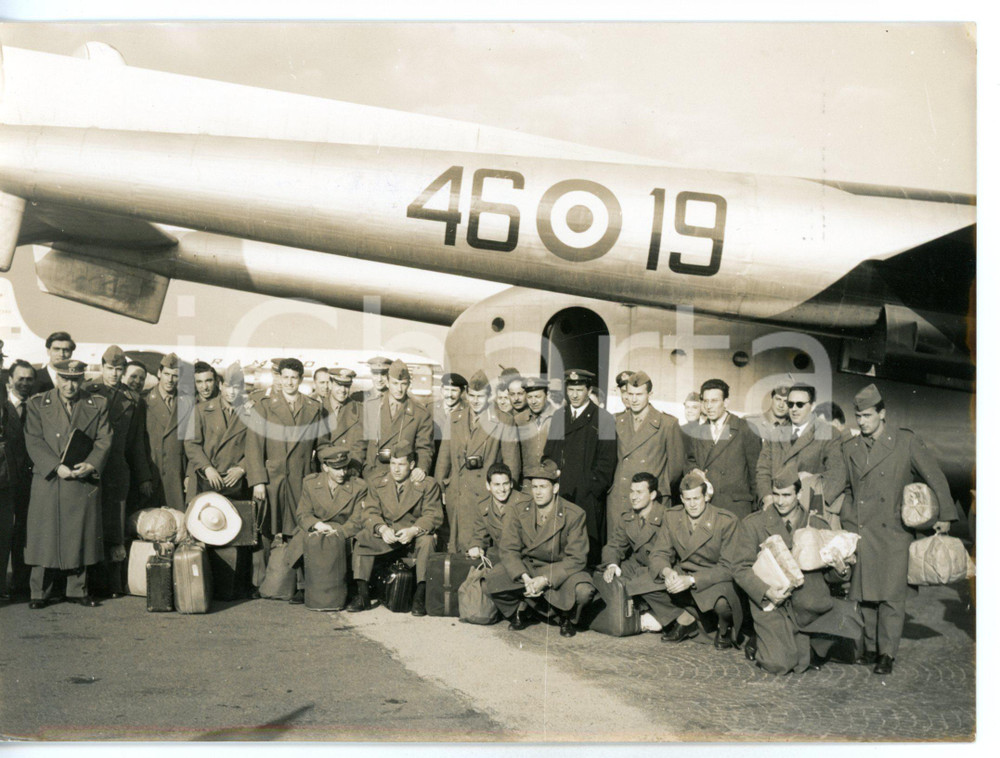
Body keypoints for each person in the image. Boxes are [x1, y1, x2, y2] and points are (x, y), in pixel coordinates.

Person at [840, 384, 957, 675]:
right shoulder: (851, 448)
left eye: (867, 415)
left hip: (894, 530)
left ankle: (886, 654)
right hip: (862, 529)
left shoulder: (905, 442)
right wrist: (845, 519)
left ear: (882, 414)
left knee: (892, 597)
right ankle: (868, 648)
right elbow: (845, 488)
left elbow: (935, 476)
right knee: (864, 592)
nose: (862, 422)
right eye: (858, 416)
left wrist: (945, 514)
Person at [722, 474, 861, 675]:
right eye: (776, 494)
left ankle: (800, 640)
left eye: (787, 495)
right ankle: (770, 638)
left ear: (800, 493)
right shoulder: (754, 524)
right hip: (773, 604)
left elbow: (830, 577)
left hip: (809, 606)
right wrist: (766, 591)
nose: (780, 501)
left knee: (842, 629)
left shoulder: (817, 524)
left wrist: (841, 569)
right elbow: (740, 567)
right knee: (778, 664)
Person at [22, 359, 112, 608]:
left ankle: (77, 589)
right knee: (44, 536)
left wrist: (92, 464)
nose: (70, 385)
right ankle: (39, 592)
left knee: (80, 535)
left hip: (81, 478)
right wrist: (55, 466)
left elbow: (104, 439)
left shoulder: (97, 404)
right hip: (49, 479)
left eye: (75, 380)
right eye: (64, 379)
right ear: (57, 378)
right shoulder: (38, 404)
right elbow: (33, 440)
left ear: (82, 379)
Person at [485, 458, 595, 637]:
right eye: (534, 487)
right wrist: (525, 577)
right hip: (530, 568)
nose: (537, 492)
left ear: (555, 488)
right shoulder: (519, 509)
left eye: (543, 487)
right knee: (492, 580)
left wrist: (546, 579)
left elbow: (577, 558)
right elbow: (508, 548)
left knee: (583, 591)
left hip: (560, 571)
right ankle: (525, 608)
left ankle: (566, 616)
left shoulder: (574, 514)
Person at [83, 346, 153, 597]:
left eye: (119, 369)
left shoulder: (133, 400)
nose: (114, 373)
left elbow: (136, 443)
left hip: (116, 472)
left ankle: (112, 584)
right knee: (90, 526)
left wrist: (144, 475)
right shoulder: (87, 392)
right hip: (89, 470)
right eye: (110, 368)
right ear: (102, 367)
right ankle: (87, 584)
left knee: (115, 529)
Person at [646, 473, 743, 648]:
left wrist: (691, 580)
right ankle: (685, 618)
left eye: (696, 498)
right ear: (682, 499)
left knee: (723, 604)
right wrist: (668, 572)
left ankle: (724, 628)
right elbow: (659, 553)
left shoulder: (726, 521)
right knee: (642, 582)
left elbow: (728, 568)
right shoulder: (672, 516)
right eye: (687, 499)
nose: (692, 504)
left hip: (713, 579)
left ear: (706, 497)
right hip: (683, 575)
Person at [350, 442, 443, 616]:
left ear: (412, 465)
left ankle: (420, 596)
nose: (396, 469)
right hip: (388, 536)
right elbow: (370, 512)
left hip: (411, 538)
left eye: (401, 464)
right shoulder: (378, 482)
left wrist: (414, 530)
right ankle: (362, 594)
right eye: (393, 463)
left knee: (428, 541)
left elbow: (433, 515)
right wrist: (381, 528)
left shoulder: (427, 485)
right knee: (363, 537)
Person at [435, 370, 520, 552]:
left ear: (489, 396)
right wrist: (440, 488)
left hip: (485, 495)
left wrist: (504, 495)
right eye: (472, 395)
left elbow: (511, 463)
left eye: (480, 397)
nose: (475, 401)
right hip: (457, 493)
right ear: (466, 394)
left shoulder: (503, 420)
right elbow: (444, 459)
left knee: (478, 547)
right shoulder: (455, 418)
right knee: (455, 546)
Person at [246, 357, 326, 540]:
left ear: (300, 379)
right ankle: (266, 569)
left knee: (299, 529)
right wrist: (258, 481)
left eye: (294, 378)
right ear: (280, 378)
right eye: (286, 377)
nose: (289, 382)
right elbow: (254, 447)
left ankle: (294, 568)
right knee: (266, 531)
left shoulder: (313, 408)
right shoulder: (264, 407)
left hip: (301, 478)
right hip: (272, 480)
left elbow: (321, 445)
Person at [543, 369, 617, 565]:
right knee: (560, 549)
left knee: (587, 553)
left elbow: (607, 463)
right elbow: (549, 454)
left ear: (589, 390)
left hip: (587, 500)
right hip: (562, 495)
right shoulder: (559, 416)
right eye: (571, 389)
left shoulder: (604, 419)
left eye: (579, 390)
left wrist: (590, 488)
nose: (574, 395)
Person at [285, 442, 367, 610]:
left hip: (343, 529)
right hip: (319, 527)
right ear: (325, 467)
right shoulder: (310, 483)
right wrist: (317, 524)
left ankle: (351, 590)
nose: (342, 473)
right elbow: (303, 514)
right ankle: (304, 586)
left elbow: (358, 519)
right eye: (337, 468)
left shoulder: (358, 487)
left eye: (344, 467)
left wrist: (340, 532)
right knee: (301, 537)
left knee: (358, 543)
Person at [607, 371, 685, 539]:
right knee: (616, 550)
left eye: (639, 394)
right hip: (620, 498)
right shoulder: (616, 421)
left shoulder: (667, 424)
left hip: (651, 500)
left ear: (650, 394)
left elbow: (676, 468)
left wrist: (657, 488)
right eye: (630, 394)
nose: (633, 399)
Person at [597, 473, 676, 634]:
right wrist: (612, 565)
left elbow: (670, 556)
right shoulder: (628, 517)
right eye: (632, 491)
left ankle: (669, 617)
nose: (633, 497)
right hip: (637, 566)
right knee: (604, 576)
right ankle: (636, 614)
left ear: (653, 495)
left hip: (661, 569)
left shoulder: (668, 517)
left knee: (639, 583)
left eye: (639, 492)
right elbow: (614, 545)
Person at [756, 383, 846, 514]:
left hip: (807, 511)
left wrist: (812, 496)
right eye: (790, 404)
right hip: (775, 506)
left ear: (813, 406)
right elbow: (763, 470)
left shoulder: (829, 434)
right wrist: (767, 498)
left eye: (800, 404)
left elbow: (837, 476)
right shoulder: (775, 433)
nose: (794, 409)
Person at [683, 378, 761, 519]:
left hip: (736, 509)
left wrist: (756, 512)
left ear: (725, 402)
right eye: (705, 401)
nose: (709, 406)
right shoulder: (697, 432)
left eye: (714, 401)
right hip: (707, 508)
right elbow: (690, 462)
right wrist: (693, 470)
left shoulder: (745, 429)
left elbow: (756, 474)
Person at [184, 362, 252, 499]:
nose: (231, 392)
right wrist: (207, 468)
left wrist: (242, 468)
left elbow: (256, 447)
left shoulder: (250, 413)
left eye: (236, 387)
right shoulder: (200, 410)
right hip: (208, 478)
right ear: (220, 386)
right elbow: (191, 444)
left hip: (236, 482)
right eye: (227, 386)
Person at [361, 359, 434, 485]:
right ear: (387, 383)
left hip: (403, 480)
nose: (399, 389)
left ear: (409, 384)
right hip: (373, 476)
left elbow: (424, 448)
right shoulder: (371, 406)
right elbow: (361, 444)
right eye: (395, 383)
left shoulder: (420, 413)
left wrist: (421, 468)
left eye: (403, 384)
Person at [145, 353, 195, 512]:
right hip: (151, 472)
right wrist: (143, 476)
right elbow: (137, 444)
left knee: (177, 521)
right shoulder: (144, 401)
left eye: (175, 375)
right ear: (159, 373)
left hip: (176, 473)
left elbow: (192, 442)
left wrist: (189, 474)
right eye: (166, 374)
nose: (170, 379)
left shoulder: (188, 402)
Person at [1, 366, 31, 600]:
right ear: (10, 380)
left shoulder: (36, 407)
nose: (25, 383)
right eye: (20, 379)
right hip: (6, 479)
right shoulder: (4, 407)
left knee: (23, 532)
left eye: (30, 379)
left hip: (28, 480)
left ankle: (20, 584)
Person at [467, 462, 531, 563]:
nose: (502, 489)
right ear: (488, 486)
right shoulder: (484, 506)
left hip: (524, 559)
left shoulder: (524, 503)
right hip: (500, 557)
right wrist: (476, 546)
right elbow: (479, 535)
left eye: (505, 484)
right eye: (497, 485)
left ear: (511, 484)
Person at [323, 367, 366, 474]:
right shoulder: (317, 408)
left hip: (348, 472)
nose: (342, 390)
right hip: (323, 473)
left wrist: (346, 471)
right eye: (339, 384)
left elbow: (359, 448)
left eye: (346, 386)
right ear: (330, 384)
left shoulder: (360, 412)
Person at [515, 376, 560, 473]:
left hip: (551, 478)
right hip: (527, 479)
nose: (533, 401)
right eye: (529, 397)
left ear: (547, 395)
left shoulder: (559, 417)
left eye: (537, 396)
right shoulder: (519, 420)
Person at [30, 331, 76, 396]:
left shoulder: (77, 379)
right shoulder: (35, 378)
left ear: (71, 353)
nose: (61, 354)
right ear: (48, 351)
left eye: (66, 350)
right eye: (56, 349)